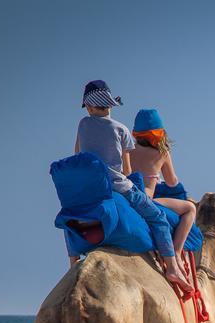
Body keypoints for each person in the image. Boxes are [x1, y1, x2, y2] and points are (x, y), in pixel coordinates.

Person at [73, 80, 191, 290]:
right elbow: (127, 172)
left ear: (89, 107)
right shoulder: (121, 130)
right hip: (121, 187)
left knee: (70, 217)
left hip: (91, 187)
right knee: (159, 218)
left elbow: (77, 156)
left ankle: (72, 264)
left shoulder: (82, 124)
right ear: (110, 105)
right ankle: (173, 265)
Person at [128, 108, 197, 267]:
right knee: (190, 209)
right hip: (147, 200)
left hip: (127, 196)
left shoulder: (127, 150)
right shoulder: (162, 153)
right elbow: (172, 182)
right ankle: (177, 254)